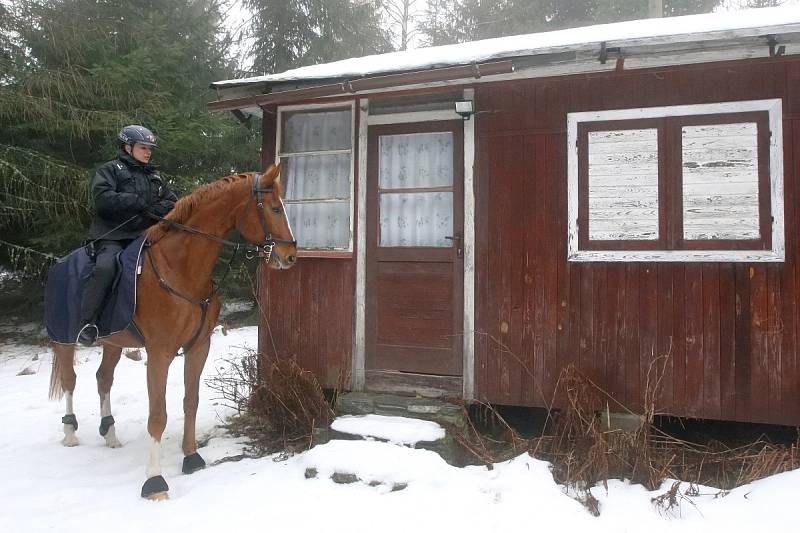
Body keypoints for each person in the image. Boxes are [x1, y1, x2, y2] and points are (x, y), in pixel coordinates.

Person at [77, 125, 177, 346]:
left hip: (146, 235)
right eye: (143, 147)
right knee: (106, 267)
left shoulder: (155, 176)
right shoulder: (110, 170)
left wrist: (158, 210)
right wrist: (138, 202)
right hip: (114, 236)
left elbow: (172, 201)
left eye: (150, 148)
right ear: (127, 147)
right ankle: (88, 323)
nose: (148, 152)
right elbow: (103, 199)